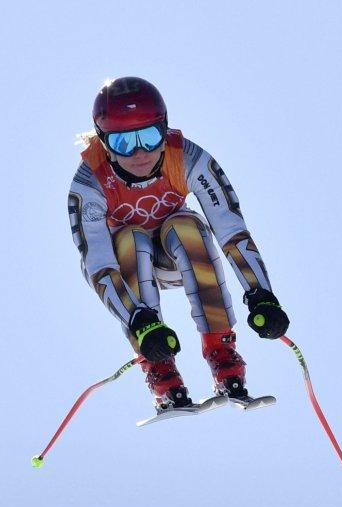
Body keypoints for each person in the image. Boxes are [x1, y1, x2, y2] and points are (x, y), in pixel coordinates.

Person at [68, 76, 289, 411]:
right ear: (104, 141)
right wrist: (139, 322)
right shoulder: (89, 183)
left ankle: (224, 355)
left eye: (150, 136)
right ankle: (160, 370)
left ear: (165, 127)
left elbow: (230, 227)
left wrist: (261, 295)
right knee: (131, 237)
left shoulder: (186, 158)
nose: (140, 153)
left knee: (186, 225)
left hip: (179, 256)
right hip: (129, 269)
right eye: (125, 143)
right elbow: (96, 262)